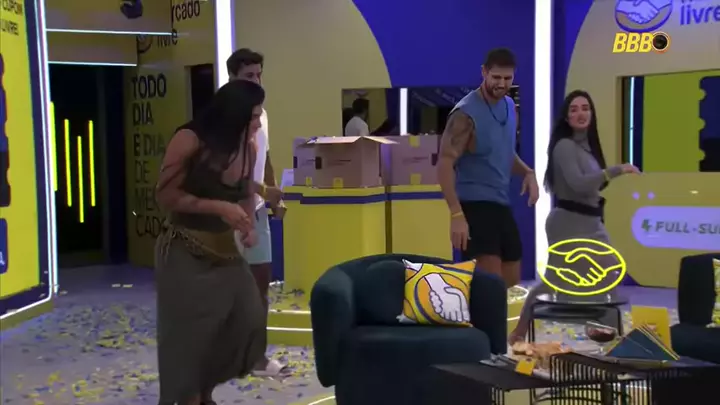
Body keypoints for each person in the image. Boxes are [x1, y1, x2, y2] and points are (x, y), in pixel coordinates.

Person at [154, 79, 267, 405]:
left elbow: (245, 192)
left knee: (247, 319)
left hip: (225, 252)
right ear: (234, 115)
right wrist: (218, 207)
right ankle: (192, 398)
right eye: (253, 117)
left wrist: (248, 225)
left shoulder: (248, 148)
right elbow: (166, 195)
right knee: (190, 338)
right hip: (184, 250)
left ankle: (205, 391)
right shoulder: (189, 140)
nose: (258, 124)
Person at [507, 90, 640, 343]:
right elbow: (578, 183)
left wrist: (605, 177)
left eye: (585, 108)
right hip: (569, 222)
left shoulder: (587, 147)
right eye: (574, 109)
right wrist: (617, 170)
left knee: (606, 274)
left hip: (590, 221)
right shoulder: (564, 146)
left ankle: (604, 333)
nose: (581, 113)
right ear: (566, 117)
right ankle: (522, 331)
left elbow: (593, 185)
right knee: (565, 277)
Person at [437, 48, 538, 288]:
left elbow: (503, 152)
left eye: (507, 78)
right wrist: (456, 214)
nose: (501, 84)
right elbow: (444, 163)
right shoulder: (465, 115)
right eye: (496, 77)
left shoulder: (509, 107)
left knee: (512, 283)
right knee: (489, 287)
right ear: (484, 72)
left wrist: (528, 172)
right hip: (475, 207)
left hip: (501, 205)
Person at [226, 48, 288, 377]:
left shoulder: (261, 115)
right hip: (227, 213)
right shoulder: (223, 119)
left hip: (259, 212)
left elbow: (267, 157)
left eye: (259, 74)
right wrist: (265, 191)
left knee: (260, 286)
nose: (256, 81)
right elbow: (228, 173)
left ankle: (257, 357)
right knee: (227, 288)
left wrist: (273, 195)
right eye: (249, 75)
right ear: (232, 78)